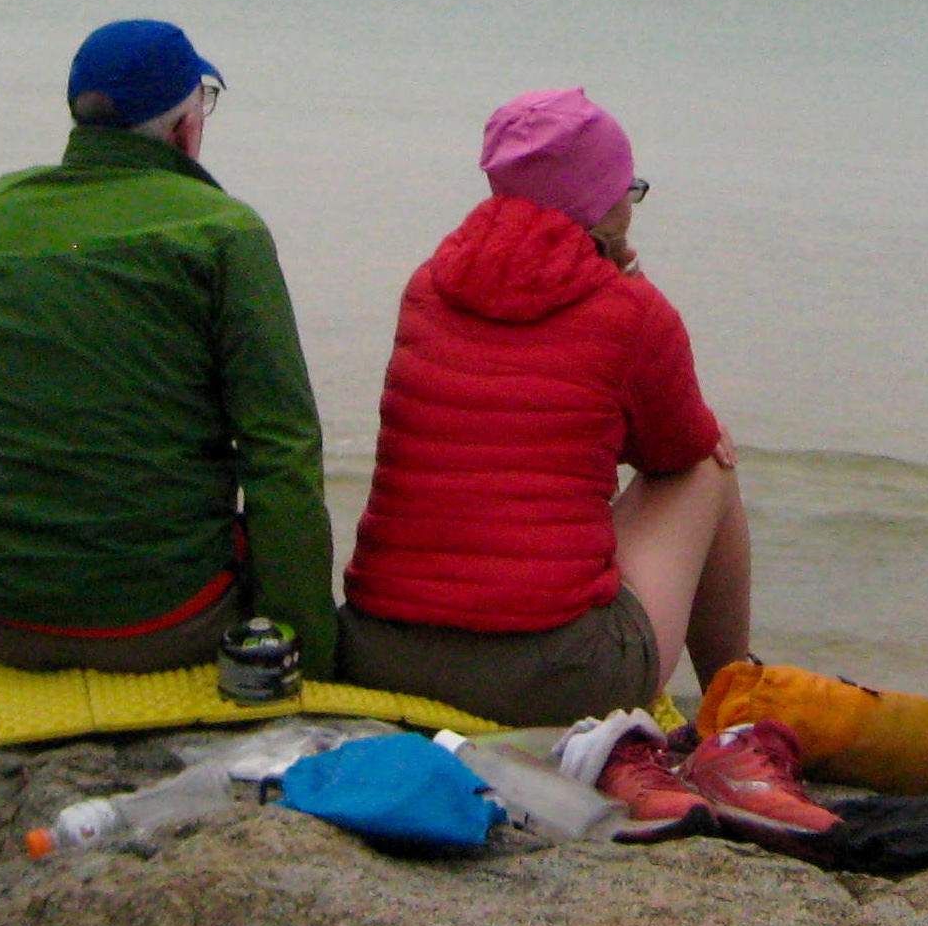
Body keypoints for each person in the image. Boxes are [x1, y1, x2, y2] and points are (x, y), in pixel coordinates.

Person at [338, 88, 829, 836]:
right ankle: (734, 705)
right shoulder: (628, 310)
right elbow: (677, 447)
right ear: (604, 204)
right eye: (627, 189)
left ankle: (735, 698)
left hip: (381, 652)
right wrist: (632, 290)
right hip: (550, 675)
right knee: (709, 467)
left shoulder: (427, 286)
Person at [0, 19, 337, 674]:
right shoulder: (222, 230)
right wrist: (308, 649)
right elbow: (281, 450)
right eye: (202, 101)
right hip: (154, 623)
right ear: (186, 127)